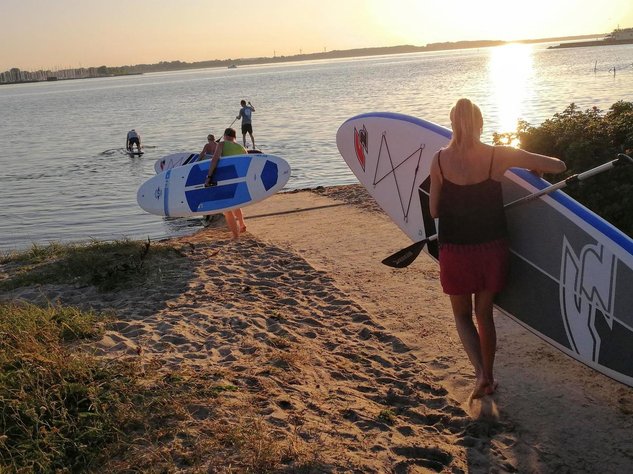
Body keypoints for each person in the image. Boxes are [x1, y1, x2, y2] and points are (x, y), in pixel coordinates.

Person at [429, 98, 566, 400]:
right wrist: (533, 169)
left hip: (455, 248)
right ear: (480, 124)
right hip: (492, 247)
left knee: (462, 316)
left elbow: (435, 210)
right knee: (484, 313)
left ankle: (482, 375)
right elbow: (558, 166)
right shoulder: (498, 155)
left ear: (452, 124)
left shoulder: (439, 160)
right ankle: (487, 375)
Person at [204, 128, 248, 238]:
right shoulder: (241, 148)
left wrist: (209, 176)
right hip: (238, 179)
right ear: (235, 136)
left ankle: (235, 236)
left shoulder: (222, 144)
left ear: (224, 135)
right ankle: (242, 224)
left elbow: (215, 159)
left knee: (227, 209)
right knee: (236, 203)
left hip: (226, 179)